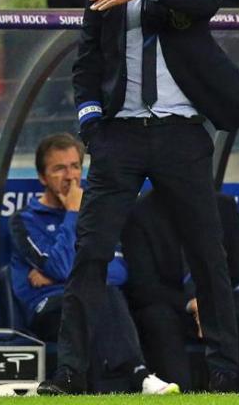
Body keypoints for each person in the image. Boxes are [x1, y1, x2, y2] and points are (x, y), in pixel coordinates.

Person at [36, 0, 239, 396]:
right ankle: (70, 373)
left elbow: (208, 3)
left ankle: (223, 373)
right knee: (91, 253)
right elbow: (86, 68)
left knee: (207, 254)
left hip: (181, 134)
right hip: (119, 137)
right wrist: (92, 128)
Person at [9, 133, 178, 395]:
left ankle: (125, 381)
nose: (70, 176)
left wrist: (61, 274)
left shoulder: (100, 213)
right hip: (50, 306)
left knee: (102, 293)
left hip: (96, 299)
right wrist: (73, 212)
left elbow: (119, 270)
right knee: (97, 295)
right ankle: (139, 376)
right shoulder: (25, 221)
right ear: (43, 177)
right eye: (59, 168)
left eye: (75, 166)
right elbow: (59, 266)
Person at [122, 190, 239, 391]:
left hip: (224, 306)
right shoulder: (140, 212)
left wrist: (226, 309)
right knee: (156, 318)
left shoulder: (223, 206)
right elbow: (142, 287)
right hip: (175, 307)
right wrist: (192, 304)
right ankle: (179, 396)